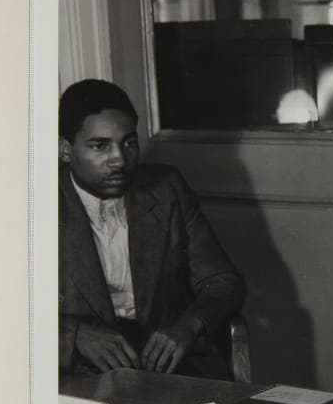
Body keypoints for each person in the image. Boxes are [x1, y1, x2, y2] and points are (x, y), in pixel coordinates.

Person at [59, 79, 246, 379]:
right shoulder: (35, 209)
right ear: (65, 150)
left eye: (129, 143)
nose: (119, 159)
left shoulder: (165, 189)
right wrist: (75, 335)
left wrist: (189, 325)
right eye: (99, 146)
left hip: (170, 368)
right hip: (81, 376)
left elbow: (224, 282)